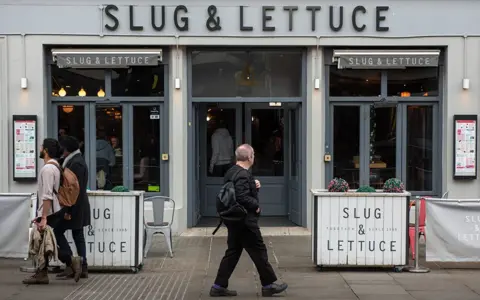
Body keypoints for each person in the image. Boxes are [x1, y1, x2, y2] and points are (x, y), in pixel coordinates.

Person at [210, 144, 288, 297]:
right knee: (259, 251)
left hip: (233, 220)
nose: (254, 157)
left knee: (232, 253)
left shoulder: (231, 172)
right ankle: (268, 285)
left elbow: (236, 191)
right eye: (253, 154)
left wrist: (254, 185)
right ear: (249, 157)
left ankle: (218, 286)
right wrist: (256, 206)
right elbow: (241, 197)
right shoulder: (243, 175)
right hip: (245, 221)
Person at [23, 138, 82, 284]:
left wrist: (43, 217)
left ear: (46, 151)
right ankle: (45, 271)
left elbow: (47, 194)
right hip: (56, 210)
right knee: (47, 242)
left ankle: (69, 262)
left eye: (42, 147)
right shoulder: (56, 166)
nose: (40, 149)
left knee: (45, 241)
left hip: (51, 211)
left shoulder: (48, 169)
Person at [56, 136, 91, 279]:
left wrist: (68, 209)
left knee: (58, 231)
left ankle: (71, 263)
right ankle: (82, 267)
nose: (61, 151)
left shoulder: (76, 163)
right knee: (78, 234)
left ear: (67, 149)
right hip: (79, 205)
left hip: (74, 206)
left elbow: (72, 189)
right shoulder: (76, 160)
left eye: (63, 148)